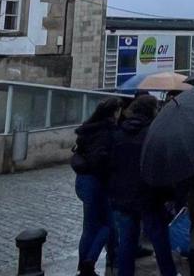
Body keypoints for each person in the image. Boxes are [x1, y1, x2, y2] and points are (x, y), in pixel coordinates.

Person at [108, 95, 178, 276]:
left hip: (125, 197)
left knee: (127, 244)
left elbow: (112, 166)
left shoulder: (118, 134)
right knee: (160, 242)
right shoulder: (153, 134)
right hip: (150, 197)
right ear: (151, 111)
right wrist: (169, 195)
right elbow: (161, 167)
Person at [72, 98, 122, 276]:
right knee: (107, 225)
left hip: (83, 180)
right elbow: (102, 160)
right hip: (98, 182)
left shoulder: (88, 128)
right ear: (114, 112)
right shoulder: (108, 132)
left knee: (90, 227)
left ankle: (84, 267)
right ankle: (89, 262)